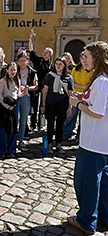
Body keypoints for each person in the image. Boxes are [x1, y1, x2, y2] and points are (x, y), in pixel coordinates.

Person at [68, 41, 108, 235]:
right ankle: (103, 217)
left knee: (86, 182)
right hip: (100, 142)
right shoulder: (102, 79)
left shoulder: (101, 81)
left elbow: (98, 112)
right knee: (102, 183)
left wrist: (77, 104)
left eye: (85, 56)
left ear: (97, 58)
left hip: (93, 143)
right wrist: (83, 99)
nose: (82, 59)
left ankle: (86, 221)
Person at [41, 57, 73, 154]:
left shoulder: (68, 78)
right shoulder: (49, 76)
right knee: (50, 124)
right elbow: (45, 90)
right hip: (51, 103)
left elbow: (70, 93)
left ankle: (58, 143)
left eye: (60, 64)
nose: (58, 66)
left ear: (64, 66)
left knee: (60, 125)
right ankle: (50, 143)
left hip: (63, 103)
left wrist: (69, 107)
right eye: (56, 64)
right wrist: (43, 104)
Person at [63, 52, 91, 140]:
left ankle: (80, 137)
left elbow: (91, 85)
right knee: (71, 116)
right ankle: (66, 134)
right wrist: (84, 87)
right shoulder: (75, 69)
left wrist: (80, 86)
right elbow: (71, 83)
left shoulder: (92, 70)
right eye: (82, 58)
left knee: (83, 118)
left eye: (85, 58)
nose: (83, 60)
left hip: (87, 97)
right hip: (75, 95)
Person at [29, 30, 53, 131]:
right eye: (44, 52)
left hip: (46, 87)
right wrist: (30, 38)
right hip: (37, 86)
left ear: (50, 55)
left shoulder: (52, 65)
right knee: (35, 105)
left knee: (43, 106)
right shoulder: (38, 61)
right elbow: (31, 51)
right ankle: (33, 124)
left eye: (47, 52)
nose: (45, 53)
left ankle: (41, 124)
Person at [0, 62, 21, 158]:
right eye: (11, 69)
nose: (13, 71)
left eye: (14, 70)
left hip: (14, 106)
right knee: (3, 128)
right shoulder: (3, 81)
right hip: (5, 106)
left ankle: (12, 149)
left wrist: (24, 92)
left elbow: (18, 94)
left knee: (14, 128)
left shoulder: (17, 80)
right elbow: (0, 94)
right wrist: (6, 105)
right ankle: (2, 150)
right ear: (7, 70)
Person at [16, 51, 38, 151]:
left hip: (26, 96)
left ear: (28, 61)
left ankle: (21, 139)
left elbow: (36, 86)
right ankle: (12, 139)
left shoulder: (32, 72)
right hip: (15, 96)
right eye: (20, 61)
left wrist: (28, 88)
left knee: (23, 119)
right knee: (14, 118)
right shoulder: (14, 70)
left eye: (24, 61)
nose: (22, 63)